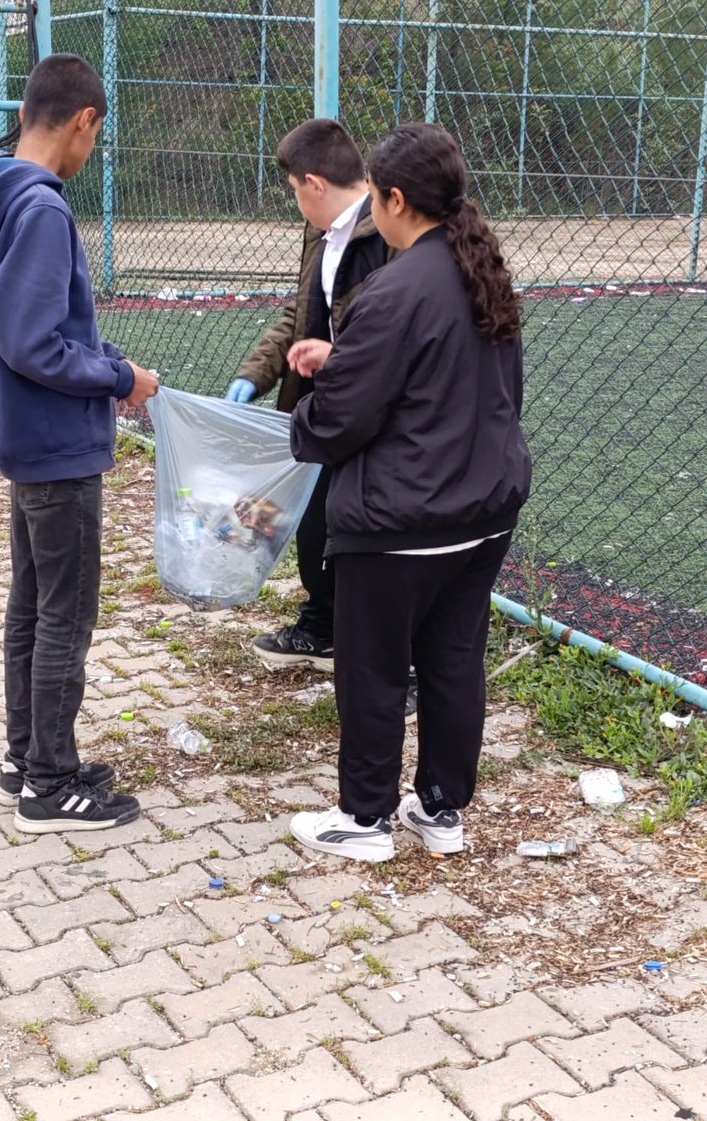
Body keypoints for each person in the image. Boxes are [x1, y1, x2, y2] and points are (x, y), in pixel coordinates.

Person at [286, 123, 532, 863]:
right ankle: (440, 812)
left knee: (374, 667)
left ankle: (364, 821)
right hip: (483, 510)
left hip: (401, 522)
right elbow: (468, 382)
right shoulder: (482, 271)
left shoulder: (393, 289)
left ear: (394, 199)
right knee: (454, 660)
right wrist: (348, 357)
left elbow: (335, 426)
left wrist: (306, 404)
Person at [0, 54, 160, 835]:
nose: (89, 153)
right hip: (58, 446)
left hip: (25, 440)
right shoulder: (40, 211)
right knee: (64, 614)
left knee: (33, 604)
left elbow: (14, 334)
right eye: (92, 138)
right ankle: (49, 781)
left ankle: (26, 755)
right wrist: (120, 376)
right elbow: (33, 344)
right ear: (83, 121)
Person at [226, 119, 393, 676]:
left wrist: (336, 355)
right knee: (313, 519)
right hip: (320, 407)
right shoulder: (321, 232)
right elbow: (298, 317)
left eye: (296, 191)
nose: (297, 203)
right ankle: (323, 626)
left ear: (315, 184)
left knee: (366, 537)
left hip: (372, 415)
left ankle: (399, 660)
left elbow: (390, 340)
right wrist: (257, 373)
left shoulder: (389, 237)